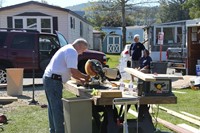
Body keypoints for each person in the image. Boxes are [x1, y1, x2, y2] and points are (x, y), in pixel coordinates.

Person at [43, 38, 90, 133]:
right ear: (80, 46)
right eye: (83, 50)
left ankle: (53, 130)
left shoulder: (67, 48)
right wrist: (86, 77)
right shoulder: (72, 52)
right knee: (57, 108)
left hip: (49, 78)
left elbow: (70, 72)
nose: (82, 53)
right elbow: (74, 71)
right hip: (53, 81)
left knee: (52, 107)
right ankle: (59, 131)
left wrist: (80, 80)